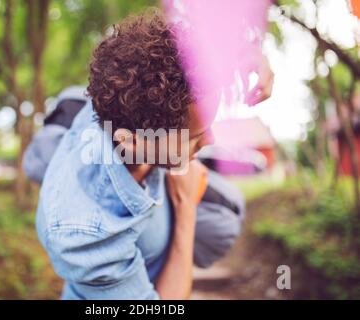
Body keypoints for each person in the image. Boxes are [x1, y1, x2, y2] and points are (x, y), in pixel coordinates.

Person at [32, 10, 273, 300]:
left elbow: (174, 55)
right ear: (133, 143)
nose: (210, 141)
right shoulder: (82, 234)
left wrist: (245, 53)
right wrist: (186, 210)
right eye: (194, 137)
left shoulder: (121, 90)